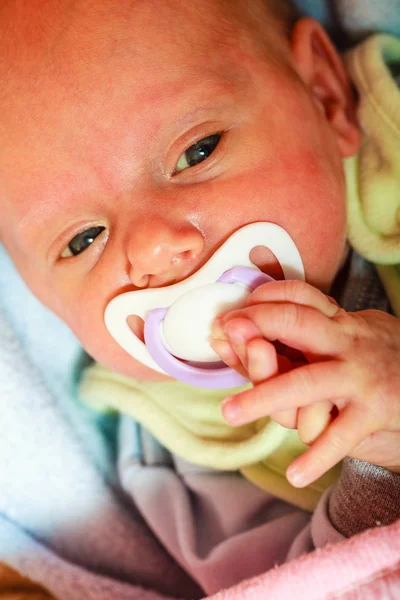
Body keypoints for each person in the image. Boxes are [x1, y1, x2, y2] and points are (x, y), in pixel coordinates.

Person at [0, 0, 399, 597]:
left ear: (324, 94)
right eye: (82, 240)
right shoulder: (188, 461)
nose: (154, 251)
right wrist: (381, 466)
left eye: (197, 151)